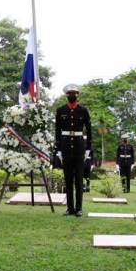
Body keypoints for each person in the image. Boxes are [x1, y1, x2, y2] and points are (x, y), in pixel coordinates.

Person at [55, 84, 92, 216]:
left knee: (79, 179)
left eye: (74, 94)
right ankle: (70, 208)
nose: (72, 96)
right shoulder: (60, 110)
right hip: (65, 146)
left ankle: (79, 208)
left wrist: (88, 148)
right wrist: (58, 149)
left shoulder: (83, 110)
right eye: (70, 94)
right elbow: (57, 131)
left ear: (77, 95)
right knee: (68, 179)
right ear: (67, 95)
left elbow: (89, 129)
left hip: (79, 146)